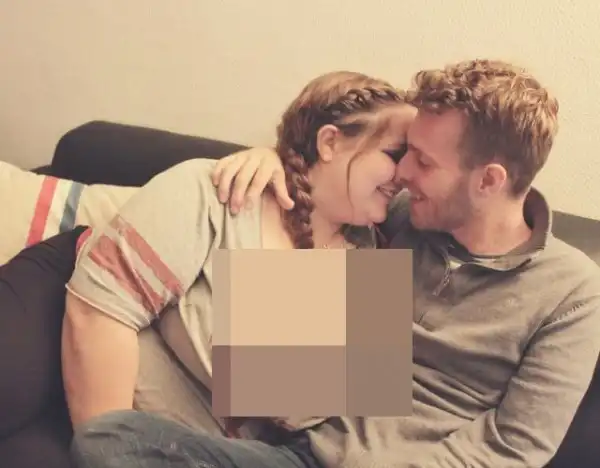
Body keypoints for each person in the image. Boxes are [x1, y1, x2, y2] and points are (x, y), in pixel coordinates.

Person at [206, 59, 600, 467]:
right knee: (156, 439)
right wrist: (274, 161)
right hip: (294, 447)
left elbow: (512, 449)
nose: (403, 172)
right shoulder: (399, 216)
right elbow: (325, 181)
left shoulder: (572, 293)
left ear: (488, 181)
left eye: (424, 162)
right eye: (406, 151)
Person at [63, 70, 417, 468]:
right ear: (329, 142)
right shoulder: (218, 192)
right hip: (118, 432)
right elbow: (95, 314)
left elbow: (311, 415)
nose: (407, 174)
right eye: (395, 154)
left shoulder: (373, 248)